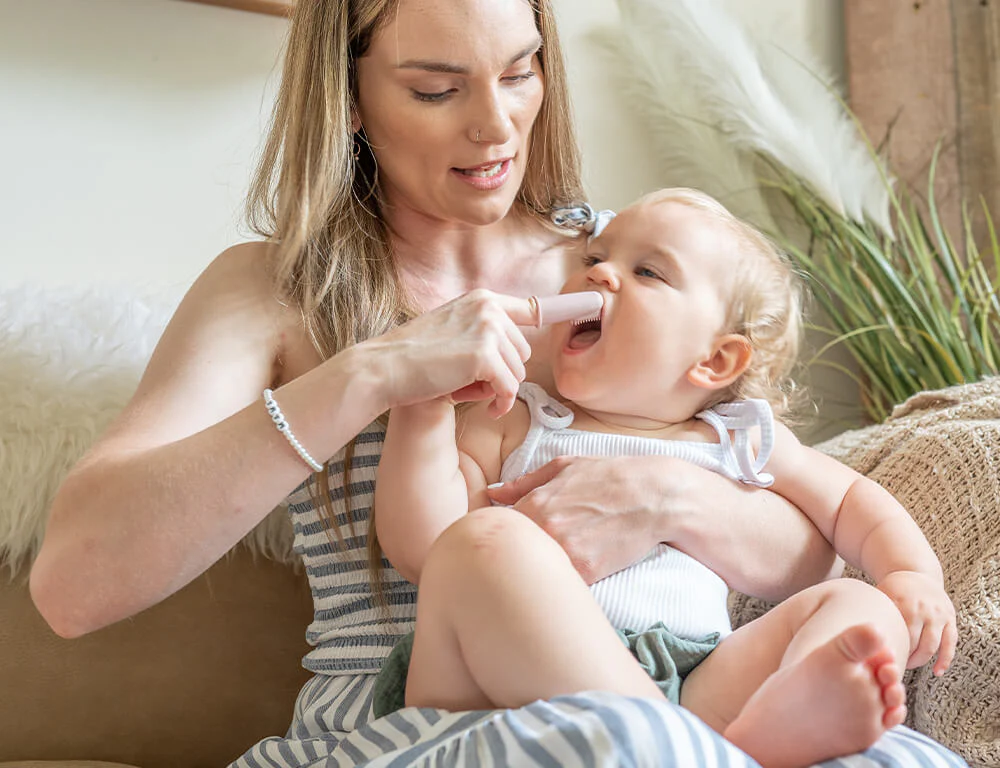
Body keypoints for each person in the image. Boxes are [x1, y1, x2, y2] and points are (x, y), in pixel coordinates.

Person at [29, 1, 845, 765]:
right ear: (347, 97)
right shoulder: (272, 294)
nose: (496, 127)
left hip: (670, 705)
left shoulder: (631, 269)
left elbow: (816, 542)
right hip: (406, 729)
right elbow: (74, 585)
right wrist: (372, 372)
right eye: (436, 88)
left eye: (521, 72)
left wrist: (672, 500)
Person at [371, 188, 959, 768]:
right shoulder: (515, 417)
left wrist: (908, 573)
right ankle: (674, 744)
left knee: (857, 604)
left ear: (715, 360)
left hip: (693, 676)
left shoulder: (736, 437)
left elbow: (850, 500)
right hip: (493, 688)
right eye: (594, 259)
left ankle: (762, 727)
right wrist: (421, 406)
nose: (600, 276)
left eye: (647, 272)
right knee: (480, 544)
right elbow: (426, 548)